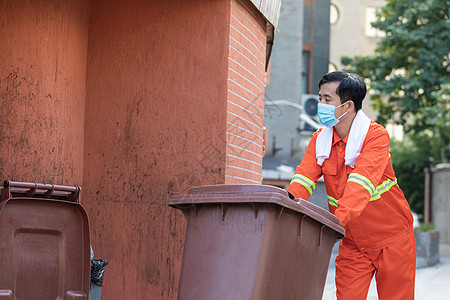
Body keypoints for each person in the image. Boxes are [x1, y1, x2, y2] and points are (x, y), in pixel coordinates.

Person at [287, 71, 416, 299]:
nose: (320, 105)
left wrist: (332, 223)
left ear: (348, 106)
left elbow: (361, 185)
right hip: (354, 244)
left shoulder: (375, 136)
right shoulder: (320, 139)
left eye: (327, 100)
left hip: (392, 239)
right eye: (320, 98)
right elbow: (303, 179)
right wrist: (283, 209)